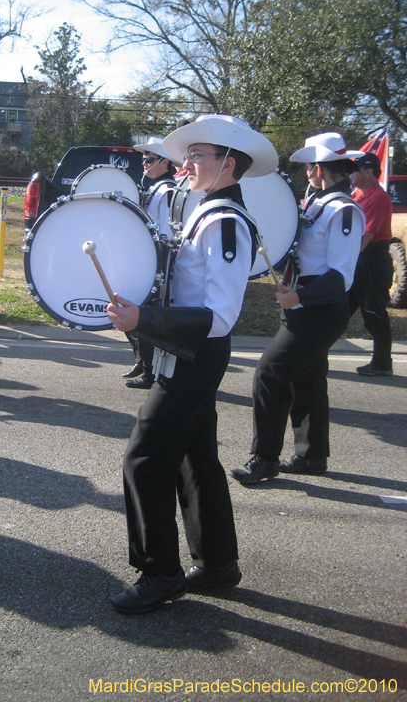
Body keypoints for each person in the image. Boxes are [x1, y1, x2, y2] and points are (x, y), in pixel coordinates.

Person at [106, 115, 278, 614]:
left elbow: (221, 317)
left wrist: (146, 320)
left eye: (197, 156)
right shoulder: (209, 211)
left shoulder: (224, 220)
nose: (187, 163)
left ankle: (160, 573)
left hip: (196, 354)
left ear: (228, 164)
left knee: (144, 457)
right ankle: (219, 564)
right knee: (195, 458)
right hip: (186, 350)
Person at [231, 136, 366, 485]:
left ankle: (264, 460)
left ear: (319, 168)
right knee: (308, 379)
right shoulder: (315, 203)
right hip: (304, 304)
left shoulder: (343, 210)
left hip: (320, 308)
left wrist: (300, 296)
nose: (307, 172)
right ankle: (312, 456)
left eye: (309, 166)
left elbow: (341, 277)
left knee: (269, 374)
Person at [123, 137, 179, 389]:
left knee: (142, 314)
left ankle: (149, 372)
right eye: (143, 159)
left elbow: (165, 233)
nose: (144, 164)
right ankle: (141, 360)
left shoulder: (167, 190)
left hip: (155, 261)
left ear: (165, 162)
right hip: (145, 259)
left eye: (149, 159)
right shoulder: (156, 188)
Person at [348, 152, 394, 376]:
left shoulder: (377, 197)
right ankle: (315, 355)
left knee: (374, 314)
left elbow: (365, 238)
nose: (351, 174)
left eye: (355, 169)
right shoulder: (359, 195)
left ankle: (383, 363)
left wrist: (345, 260)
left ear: (368, 171)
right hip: (362, 262)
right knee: (341, 309)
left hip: (373, 261)